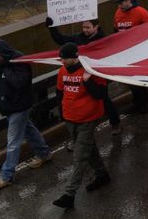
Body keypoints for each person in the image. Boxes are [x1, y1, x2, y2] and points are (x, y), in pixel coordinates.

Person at [52, 43, 111, 209]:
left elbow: (101, 94)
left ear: (74, 57)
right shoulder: (62, 71)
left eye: (65, 58)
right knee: (88, 148)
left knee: (79, 156)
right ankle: (102, 174)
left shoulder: (90, 71)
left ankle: (69, 194)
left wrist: (88, 82)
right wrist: (62, 113)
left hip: (87, 119)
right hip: (70, 119)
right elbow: (60, 93)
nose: (62, 61)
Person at [0, 39, 52, 189]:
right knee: (28, 130)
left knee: (13, 142)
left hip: (20, 106)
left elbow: (19, 82)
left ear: (3, 53)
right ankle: (44, 153)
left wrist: (6, 66)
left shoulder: (19, 61)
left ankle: (6, 175)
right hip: (8, 106)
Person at [45, 17, 121, 133]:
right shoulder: (79, 38)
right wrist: (52, 28)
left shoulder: (103, 40)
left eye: (88, 27)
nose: (85, 30)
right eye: (83, 27)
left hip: (97, 75)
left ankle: (115, 123)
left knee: (104, 99)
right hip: (81, 75)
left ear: (96, 27)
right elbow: (61, 39)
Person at [112, 0, 148, 113]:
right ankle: (137, 102)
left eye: (122, 3)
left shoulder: (141, 12)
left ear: (129, 1)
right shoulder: (118, 13)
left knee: (138, 79)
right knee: (130, 80)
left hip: (139, 51)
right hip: (125, 52)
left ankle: (145, 103)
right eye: (118, 4)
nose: (120, 6)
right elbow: (116, 30)